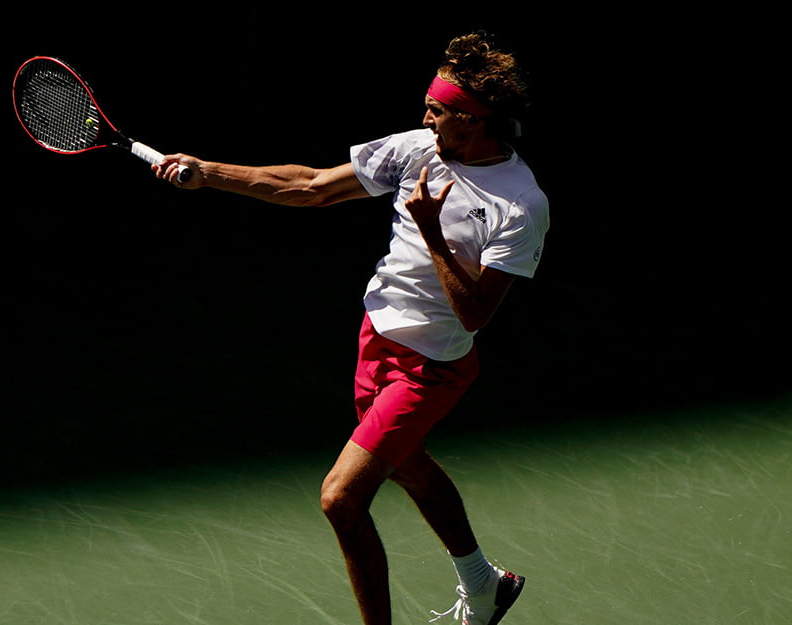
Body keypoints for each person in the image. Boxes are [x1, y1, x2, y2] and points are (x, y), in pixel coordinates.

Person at [152, 32, 548, 625]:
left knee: (341, 499)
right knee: (410, 464)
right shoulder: (418, 149)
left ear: (474, 121)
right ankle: (484, 583)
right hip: (375, 341)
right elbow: (311, 187)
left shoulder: (520, 203)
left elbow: (475, 314)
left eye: (439, 112)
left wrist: (432, 231)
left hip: (431, 368)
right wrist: (210, 173)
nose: (427, 119)